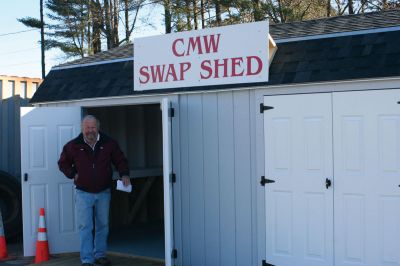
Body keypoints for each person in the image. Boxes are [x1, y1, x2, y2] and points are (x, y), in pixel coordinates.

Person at [58, 115, 131, 266]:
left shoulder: (109, 143)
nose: (90, 131)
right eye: (87, 128)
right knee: (85, 227)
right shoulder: (73, 146)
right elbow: (62, 163)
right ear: (82, 128)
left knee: (103, 225)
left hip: (103, 192)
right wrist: (73, 174)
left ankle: (100, 255)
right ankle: (87, 259)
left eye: (93, 127)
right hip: (83, 193)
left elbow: (120, 159)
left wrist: (124, 174)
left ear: (98, 128)